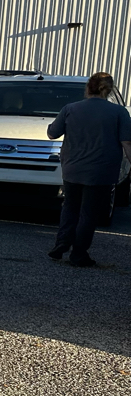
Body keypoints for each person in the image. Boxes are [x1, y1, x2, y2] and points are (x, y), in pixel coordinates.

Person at [47, 71, 131, 266]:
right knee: (89, 212)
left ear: (88, 87)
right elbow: (127, 143)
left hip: (72, 167)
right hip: (102, 171)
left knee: (70, 207)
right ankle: (78, 253)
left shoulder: (70, 109)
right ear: (109, 90)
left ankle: (62, 242)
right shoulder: (119, 112)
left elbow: (52, 133)